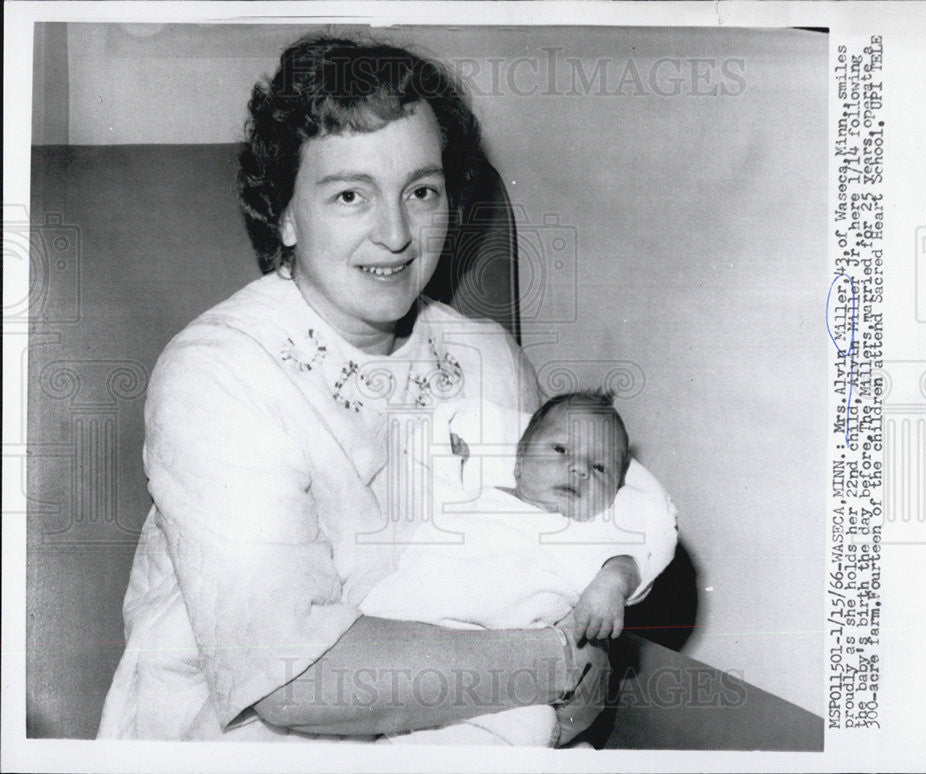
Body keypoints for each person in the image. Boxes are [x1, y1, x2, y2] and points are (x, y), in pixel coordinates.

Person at [98, 35, 614, 743]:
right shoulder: (217, 372)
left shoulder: (490, 359)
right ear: (283, 211)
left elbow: (569, 572)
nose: (396, 234)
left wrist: (583, 661)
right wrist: (555, 664)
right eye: (350, 194)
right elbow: (291, 677)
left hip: (462, 723)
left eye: (422, 191)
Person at [361, 390, 678, 745]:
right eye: (560, 450)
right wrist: (450, 458)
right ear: (519, 462)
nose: (579, 469)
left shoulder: (585, 533)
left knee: (522, 727)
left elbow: (634, 554)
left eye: (600, 468)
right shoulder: (476, 495)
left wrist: (612, 583)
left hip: (503, 672)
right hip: (405, 634)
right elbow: (435, 491)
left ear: (612, 495)